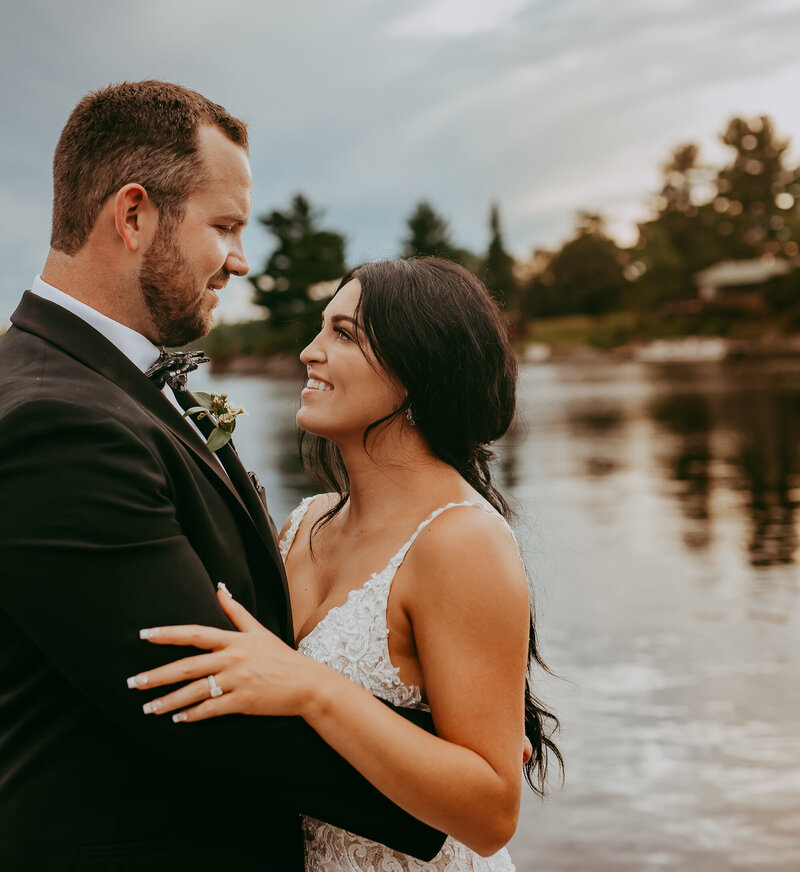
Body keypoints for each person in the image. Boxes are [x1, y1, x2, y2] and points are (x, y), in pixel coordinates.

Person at [0, 82, 444, 871]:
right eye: (226, 227)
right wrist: (446, 774)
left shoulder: (92, 383)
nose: (240, 260)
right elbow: (189, 691)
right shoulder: (55, 418)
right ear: (133, 216)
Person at [130, 257, 562, 870]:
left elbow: (492, 814)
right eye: (319, 328)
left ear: (418, 368)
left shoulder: (461, 542)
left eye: (343, 333)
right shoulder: (304, 523)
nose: (309, 351)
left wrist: (312, 688)